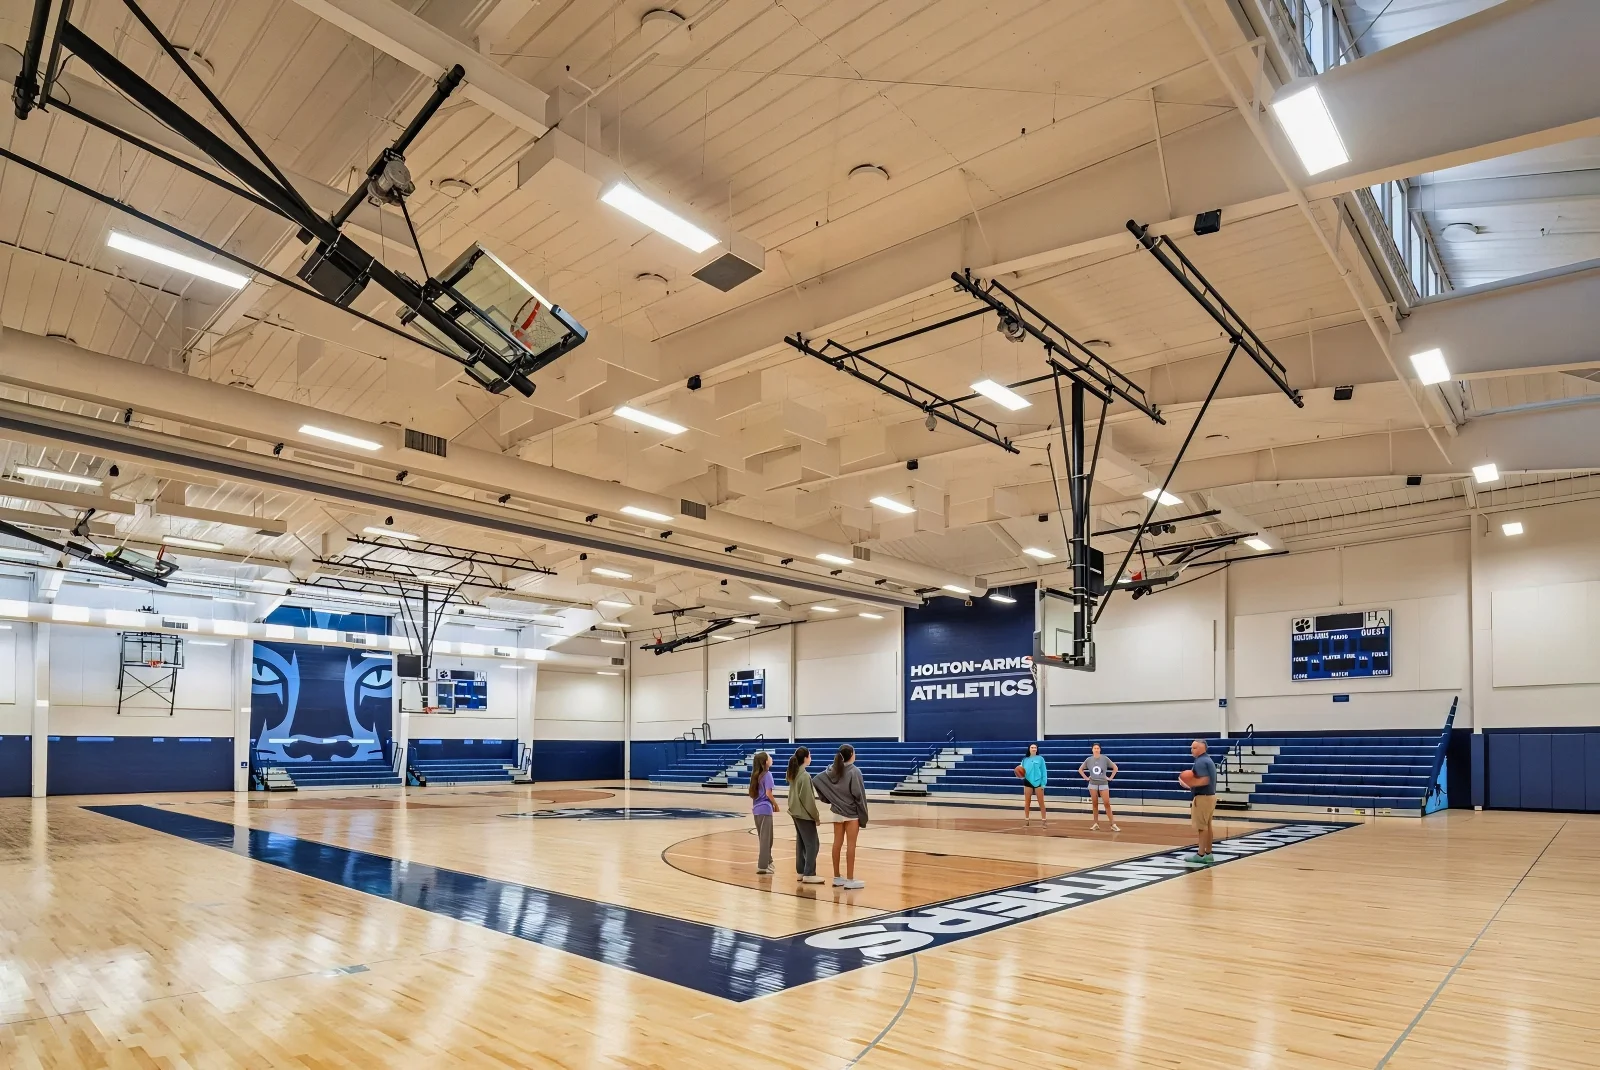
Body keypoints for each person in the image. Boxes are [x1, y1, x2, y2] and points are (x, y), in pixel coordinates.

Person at [813, 743, 869, 889]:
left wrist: (828, 799)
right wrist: (863, 815)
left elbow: (817, 780)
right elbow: (859, 796)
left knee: (837, 843)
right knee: (851, 845)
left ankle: (837, 877)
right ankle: (850, 880)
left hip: (837, 813)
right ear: (851, 754)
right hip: (851, 814)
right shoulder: (855, 771)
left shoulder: (832, 770)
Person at [785, 746, 824, 884]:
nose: (811, 757)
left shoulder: (794, 773)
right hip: (804, 814)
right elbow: (808, 800)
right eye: (810, 755)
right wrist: (816, 816)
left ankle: (801, 871)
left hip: (795, 812)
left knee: (801, 843)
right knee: (813, 844)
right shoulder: (805, 776)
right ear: (806, 758)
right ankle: (809, 873)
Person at [1184, 739, 1217, 864]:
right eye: (1192, 748)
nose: (1192, 750)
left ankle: (1201, 854)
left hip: (1202, 797)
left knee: (1201, 827)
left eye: (1195, 748)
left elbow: (1203, 780)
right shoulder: (1208, 760)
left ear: (1203, 748)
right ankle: (1209, 853)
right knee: (1208, 826)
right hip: (1211, 796)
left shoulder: (1200, 762)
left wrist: (1188, 784)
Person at [1078, 743, 1120, 832]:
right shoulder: (1088, 760)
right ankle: (1096, 823)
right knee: (1094, 804)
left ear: (1100, 749)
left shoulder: (1105, 758)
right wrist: (1086, 778)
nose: (1096, 750)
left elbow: (1115, 768)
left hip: (1103, 783)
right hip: (1092, 783)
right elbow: (1080, 769)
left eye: (1098, 748)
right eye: (1095, 748)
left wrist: (1110, 778)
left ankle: (1113, 824)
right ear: (1092, 750)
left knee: (1107, 803)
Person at [749, 750, 777, 875]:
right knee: (767, 839)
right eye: (769, 757)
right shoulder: (767, 775)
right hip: (765, 809)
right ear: (766, 762)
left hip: (756, 810)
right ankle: (763, 865)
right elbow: (768, 793)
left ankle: (768, 861)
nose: (771, 758)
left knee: (764, 838)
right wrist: (775, 804)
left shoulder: (755, 775)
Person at [1020, 743, 1048, 823]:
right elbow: (1021, 772)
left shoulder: (1041, 759)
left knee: (1041, 802)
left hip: (1038, 782)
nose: (1033, 749)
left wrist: (1043, 784)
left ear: (1037, 749)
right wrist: (1020, 775)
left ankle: (1044, 820)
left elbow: (1044, 772)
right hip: (1027, 782)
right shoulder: (1024, 760)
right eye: (1032, 747)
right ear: (1029, 749)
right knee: (1027, 802)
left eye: (1035, 747)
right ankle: (1027, 819)